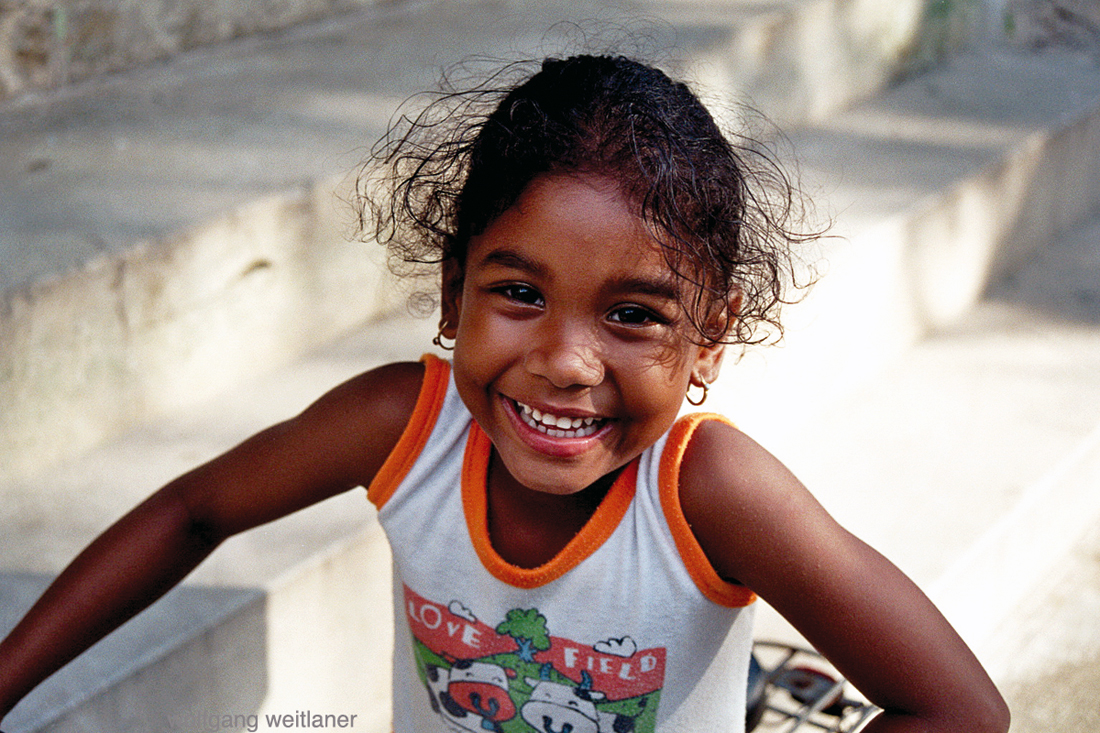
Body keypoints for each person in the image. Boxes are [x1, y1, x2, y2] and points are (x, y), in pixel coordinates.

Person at [0, 54, 1008, 732]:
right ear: (453, 291)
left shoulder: (711, 493)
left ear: (710, 337)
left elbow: (960, 711)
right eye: (519, 293)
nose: (566, 361)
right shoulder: (401, 426)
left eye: (635, 315)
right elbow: (192, 509)